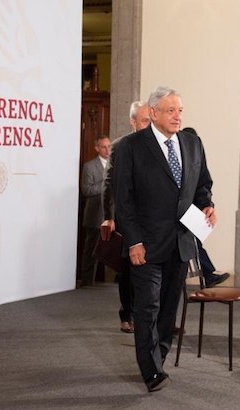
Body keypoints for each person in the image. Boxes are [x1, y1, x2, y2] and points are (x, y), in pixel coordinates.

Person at [113, 86, 216, 392]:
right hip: (145, 244)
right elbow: (124, 200)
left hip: (181, 242)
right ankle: (151, 371)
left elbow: (202, 184)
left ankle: (157, 359)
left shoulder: (192, 143)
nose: (177, 116)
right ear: (154, 113)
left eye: (180, 110)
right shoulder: (131, 147)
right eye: (171, 110)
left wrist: (208, 203)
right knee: (147, 307)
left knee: (169, 307)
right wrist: (133, 241)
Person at [100, 101, 151, 333]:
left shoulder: (159, 144)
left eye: (150, 120)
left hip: (152, 218)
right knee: (128, 269)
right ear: (133, 121)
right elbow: (109, 183)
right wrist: (108, 217)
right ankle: (127, 315)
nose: (148, 125)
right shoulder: (120, 146)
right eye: (143, 121)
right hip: (126, 217)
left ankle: (153, 317)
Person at [181, 127, 229, 288]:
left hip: (194, 209)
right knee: (193, 242)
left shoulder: (196, 156)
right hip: (183, 211)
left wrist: (208, 204)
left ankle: (208, 274)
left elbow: (203, 183)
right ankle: (208, 275)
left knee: (195, 242)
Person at [79, 135, 111, 287]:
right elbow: (86, 190)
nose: (107, 150)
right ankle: (86, 282)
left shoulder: (116, 165)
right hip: (95, 216)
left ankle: (106, 282)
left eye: (109, 146)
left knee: (111, 251)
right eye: (104, 147)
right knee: (91, 250)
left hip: (112, 216)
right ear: (97, 148)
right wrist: (106, 185)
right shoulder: (89, 166)